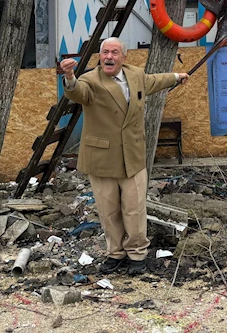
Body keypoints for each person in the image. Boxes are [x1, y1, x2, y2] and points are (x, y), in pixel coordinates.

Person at [59, 38, 189, 276]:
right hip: (102, 157)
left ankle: (137, 254)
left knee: (134, 208)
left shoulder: (136, 74)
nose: (109, 56)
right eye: (105, 52)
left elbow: (153, 81)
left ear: (124, 57)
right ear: (100, 56)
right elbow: (77, 92)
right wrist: (69, 77)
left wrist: (176, 76)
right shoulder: (90, 80)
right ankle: (115, 253)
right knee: (108, 210)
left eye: (115, 52)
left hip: (132, 155)